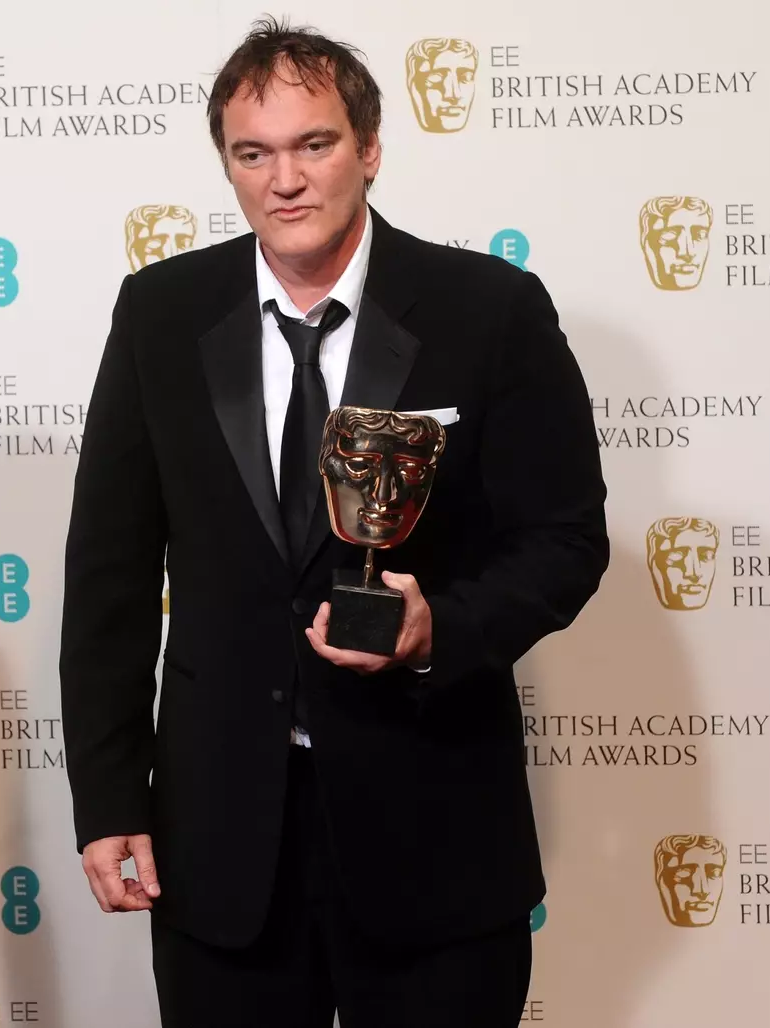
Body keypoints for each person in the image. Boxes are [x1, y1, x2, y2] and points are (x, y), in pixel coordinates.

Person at [59, 18, 608, 1028]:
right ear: (226, 162)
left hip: (432, 826)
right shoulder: (160, 314)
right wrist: (108, 800)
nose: (285, 179)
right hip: (220, 841)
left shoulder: (488, 309)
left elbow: (566, 538)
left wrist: (441, 622)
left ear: (369, 148)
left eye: (313, 144)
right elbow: (109, 579)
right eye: (252, 153)